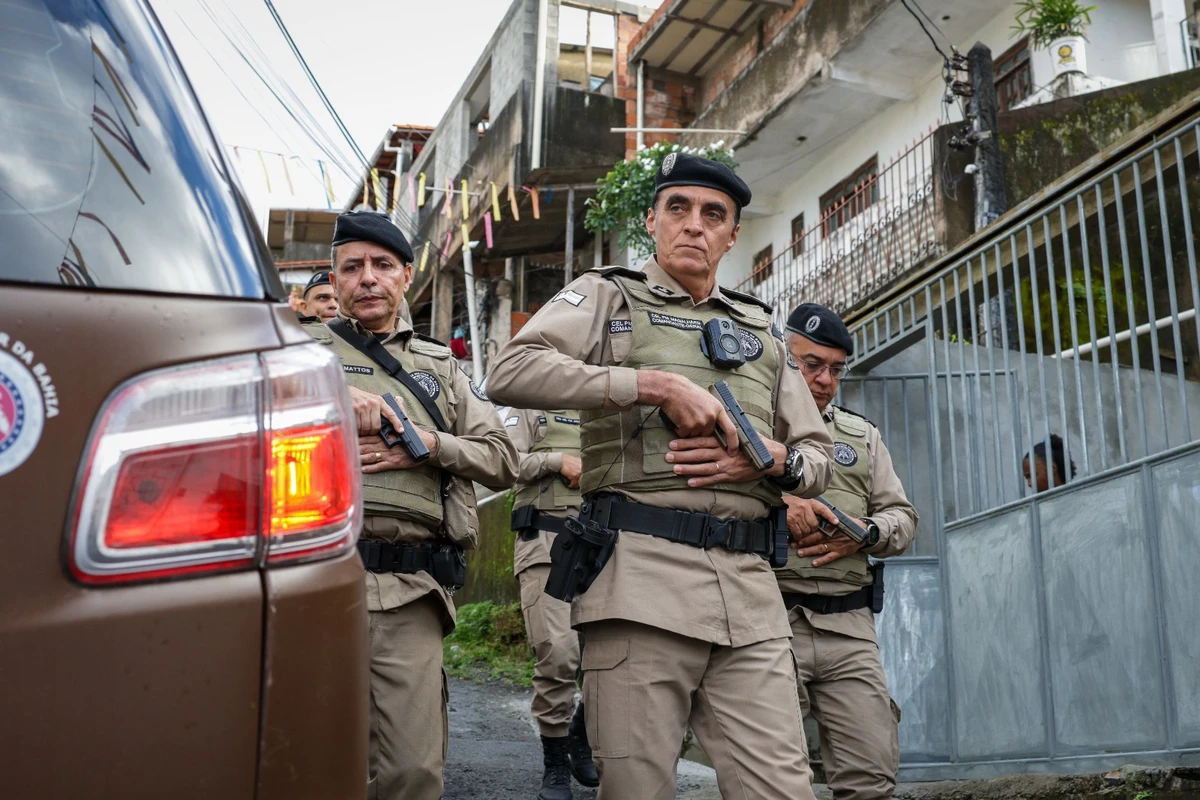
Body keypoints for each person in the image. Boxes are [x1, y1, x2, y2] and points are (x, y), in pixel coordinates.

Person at [488, 153, 835, 800]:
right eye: (678, 208)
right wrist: (647, 384)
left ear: (733, 235)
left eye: (714, 215)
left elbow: (814, 458)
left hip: (752, 599)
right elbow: (511, 370)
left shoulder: (761, 330)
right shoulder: (608, 294)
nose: (694, 226)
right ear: (652, 219)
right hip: (639, 584)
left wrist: (769, 459)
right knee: (637, 789)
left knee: (783, 791)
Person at [302, 210, 518, 800]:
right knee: (302, 759)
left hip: (410, 589)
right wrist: (329, 392)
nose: (367, 278)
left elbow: (504, 456)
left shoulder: (443, 368)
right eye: (353, 268)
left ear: (406, 275)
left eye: (382, 266)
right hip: (311, 583)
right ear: (336, 278)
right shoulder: (296, 352)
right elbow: (236, 393)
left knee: (413, 771)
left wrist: (428, 448)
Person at [776, 303, 918, 800]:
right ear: (782, 356)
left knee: (872, 774)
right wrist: (785, 502)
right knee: (775, 779)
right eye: (811, 364)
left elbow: (903, 520)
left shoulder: (862, 435)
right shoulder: (752, 428)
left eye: (835, 369)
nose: (824, 379)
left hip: (850, 626)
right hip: (772, 618)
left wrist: (865, 531)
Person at [507, 406, 598, 799]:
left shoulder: (605, 406)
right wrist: (556, 460)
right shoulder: (529, 407)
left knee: (612, 657)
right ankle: (556, 762)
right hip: (545, 542)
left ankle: (580, 731)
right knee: (559, 654)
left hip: (603, 546)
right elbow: (500, 462)